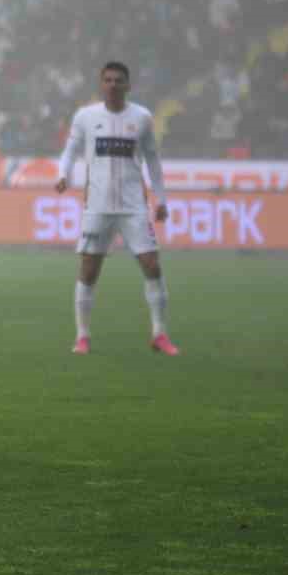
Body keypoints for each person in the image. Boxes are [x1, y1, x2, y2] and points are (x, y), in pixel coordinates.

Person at [55, 61, 180, 356]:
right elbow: (70, 150)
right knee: (88, 270)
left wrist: (161, 200)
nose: (112, 85)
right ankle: (82, 336)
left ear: (128, 85)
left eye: (118, 80)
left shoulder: (142, 118)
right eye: (108, 80)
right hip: (97, 206)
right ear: (101, 84)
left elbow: (152, 160)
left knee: (152, 265)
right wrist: (63, 174)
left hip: (133, 205)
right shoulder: (86, 117)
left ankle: (159, 334)